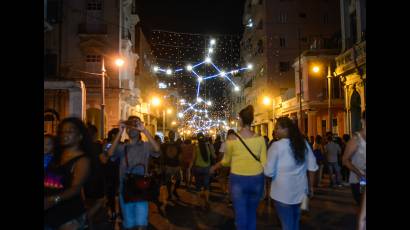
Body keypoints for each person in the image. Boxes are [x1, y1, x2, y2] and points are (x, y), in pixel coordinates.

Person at [210, 105, 267, 230]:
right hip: (256, 179)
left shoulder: (232, 139)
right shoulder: (260, 139)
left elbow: (226, 161)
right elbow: (264, 162)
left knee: (240, 214)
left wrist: (215, 166)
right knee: (252, 213)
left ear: (240, 120)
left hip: (238, 180)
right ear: (251, 120)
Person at [264, 117, 318, 230]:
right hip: (301, 193)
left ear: (286, 129)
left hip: (281, 194)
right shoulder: (303, 144)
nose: (275, 131)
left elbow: (268, 172)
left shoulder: (276, 146)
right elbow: (312, 167)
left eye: (278, 128)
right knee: (295, 223)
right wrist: (311, 187)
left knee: (288, 225)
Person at [107, 116, 161, 229]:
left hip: (141, 189)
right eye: (129, 127)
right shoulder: (122, 147)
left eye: (135, 126)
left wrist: (145, 130)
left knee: (141, 224)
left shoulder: (145, 146)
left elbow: (157, 150)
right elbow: (110, 154)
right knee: (129, 223)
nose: (131, 129)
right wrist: (120, 132)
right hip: (125, 189)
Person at [44, 117, 92, 230]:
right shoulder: (55, 155)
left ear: (80, 136)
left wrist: (52, 200)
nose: (64, 134)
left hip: (67, 216)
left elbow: (75, 188)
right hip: (48, 213)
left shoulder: (82, 160)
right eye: (62, 131)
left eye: (70, 131)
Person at [83, 124, 107, 229]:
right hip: (96, 178)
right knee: (100, 200)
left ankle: (89, 223)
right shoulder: (97, 146)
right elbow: (104, 160)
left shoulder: (80, 147)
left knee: (86, 202)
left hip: (83, 178)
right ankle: (86, 218)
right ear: (94, 134)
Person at [343, 110, 366, 205]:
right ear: (362, 121)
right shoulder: (356, 139)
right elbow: (345, 160)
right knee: (363, 204)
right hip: (360, 180)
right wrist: (359, 173)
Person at [192, 132, 216, 210]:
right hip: (207, 169)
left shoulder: (196, 147)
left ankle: (200, 204)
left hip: (198, 168)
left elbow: (193, 158)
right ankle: (207, 200)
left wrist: (190, 167)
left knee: (198, 187)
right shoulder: (209, 146)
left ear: (197, 139)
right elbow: (214, 156)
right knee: (206, 186)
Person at [102, 128, 121, 223]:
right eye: (119, 134)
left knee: (116, 193)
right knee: (112, 194)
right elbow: (105, 158)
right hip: (110, 172)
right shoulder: (108, 145)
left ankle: (116, 213)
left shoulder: (120, 145)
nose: (120, 136)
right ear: (113, 135)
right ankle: (113, 212)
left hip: (118, 172)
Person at [161, 130, 182, 202]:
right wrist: (163, 165)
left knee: (179, 180)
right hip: (168, 165)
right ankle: (170, 193)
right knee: (168, 181)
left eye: (173, 134)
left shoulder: (178, 145)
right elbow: (162, 155)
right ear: (169, 136)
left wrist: (180, 164)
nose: (172, 136)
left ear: (174, 136)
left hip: (176, 165)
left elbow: (180, 155)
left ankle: (174, 190)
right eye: (171, 134)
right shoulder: (164, 145)